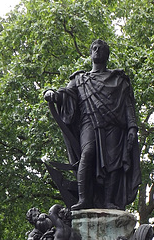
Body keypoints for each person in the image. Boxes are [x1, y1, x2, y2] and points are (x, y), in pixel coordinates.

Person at [44, 39, 141, 211]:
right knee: (87, 154)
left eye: (100, 49)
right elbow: (65, 95)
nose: (96, 51)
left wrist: (132, 127)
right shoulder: (80, 79)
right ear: (90, 53)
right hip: (89, 121)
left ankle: (109, 201)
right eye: (94, 48)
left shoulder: (118, 80)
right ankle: (84, 199)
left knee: (114, 163)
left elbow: (128, 106)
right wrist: (51, 93)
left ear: (106, 54)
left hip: (114, 125)